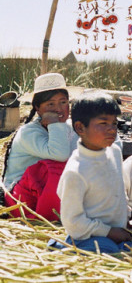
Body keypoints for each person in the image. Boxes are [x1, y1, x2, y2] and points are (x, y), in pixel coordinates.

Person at [55, 92, 132, 254]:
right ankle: (62, 246)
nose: (111, 129)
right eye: (103, 123)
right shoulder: (76, 170)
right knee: (111, 254)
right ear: (80, 127)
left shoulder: (114, 152)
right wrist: (108, 232)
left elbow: (119, 192)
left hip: (117, 233)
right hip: (87, 237)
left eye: (114, 123)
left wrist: (128, 216)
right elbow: (73, 222)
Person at [3, 73, 82, 220]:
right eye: (50, 104)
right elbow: (60, 154)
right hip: (21, 202)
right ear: (38, 109)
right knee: (56, 167)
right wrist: (55, 123)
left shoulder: (70, 128)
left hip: (49, 194)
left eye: (63, 102)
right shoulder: (29, 132)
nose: (59, 109)